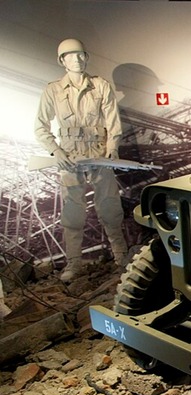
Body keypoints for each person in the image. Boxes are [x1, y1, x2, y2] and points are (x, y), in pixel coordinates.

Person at [34, 38, 128, 282]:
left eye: (80, 55)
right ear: (62, 61)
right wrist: (56, 151)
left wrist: (112, 147)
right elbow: (40, 127)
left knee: (109, 206)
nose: (76, 59)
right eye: (70, 56)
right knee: (72, 212)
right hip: (70, 158)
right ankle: (74, 263)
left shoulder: (100, 86)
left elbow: (112, 121)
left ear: (86, 57)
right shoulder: (52, 90)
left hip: (99, 155)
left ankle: (120, 254)